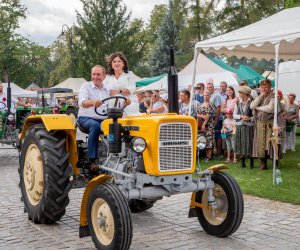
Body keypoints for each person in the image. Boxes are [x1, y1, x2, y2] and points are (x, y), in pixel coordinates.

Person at [77, 65, 130, 172]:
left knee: (121, 126)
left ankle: (122, 156)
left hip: (103, 119)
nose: (96, 77)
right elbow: (81, 102)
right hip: (86, 118)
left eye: (98, 74)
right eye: (94, 74)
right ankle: (92, 161)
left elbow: (115, 103)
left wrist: (125, 102)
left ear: (104, 76)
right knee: (95, 126)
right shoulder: (86, 86)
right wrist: (92, 102)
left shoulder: (108, 89)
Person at [104, 52, 140, 116]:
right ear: (111, 64)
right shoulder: (107, 77)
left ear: (123, 63)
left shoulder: (129, 75)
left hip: (129, 103)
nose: (116, 63)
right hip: (113, 106)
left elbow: (131, 90)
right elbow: (104, 91)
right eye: (114, 62)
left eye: (119, 61)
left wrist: (118, 91)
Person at [250, 79, 275, 170]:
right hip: (260, 124)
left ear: (270, 88)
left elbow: (270, 108)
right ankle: (263, 163)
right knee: (260, 145)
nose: (264, 89)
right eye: (262, 87)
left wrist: (259, 108)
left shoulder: (274, 97)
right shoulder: (260, 96)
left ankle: (275, 163)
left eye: (266, 87)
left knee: (272, 144)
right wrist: (260, 96)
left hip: (270, 125)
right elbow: (252, 106)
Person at [234, 86, 254, 168]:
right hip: (240, 125)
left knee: (250, 143)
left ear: (245, 94)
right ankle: (242, 161)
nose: (239, 94)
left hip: (249, 126)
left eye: (240, 93)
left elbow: (256, 115)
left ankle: (251, 161)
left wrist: (250, 119)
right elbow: (234, 115)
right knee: (241, 143)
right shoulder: (238, 102)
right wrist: (241, 116)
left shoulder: (252, 102)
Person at [197, 91, 215, 162]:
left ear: (210, 96)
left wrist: (204, 124)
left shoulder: (210, 105)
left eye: (207, 95)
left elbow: (207, 117)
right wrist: (201, 119)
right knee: (204, 140)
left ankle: (209, 156)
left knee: (209, 140)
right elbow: (197, 114)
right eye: (204, 95)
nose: (205, 96)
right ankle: (206, 155)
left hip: (209, 125)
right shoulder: (201, 104)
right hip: (201, 124)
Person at [206, 81, 222, 158]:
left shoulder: (216, 96)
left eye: (210, 87)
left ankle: (219, 153)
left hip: (216, 118)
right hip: (210, 119)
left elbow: (218, 108)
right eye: (208, 87)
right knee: (212, 135)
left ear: (213, 88)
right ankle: (212, 153)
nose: (209, 89)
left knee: (217, 135)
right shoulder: (208, 95)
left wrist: (216, 120)